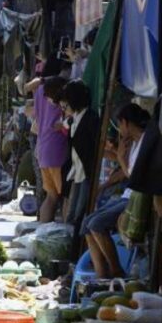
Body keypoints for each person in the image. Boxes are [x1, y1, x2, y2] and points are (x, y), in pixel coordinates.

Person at [81, 103, 149, 278]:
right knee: (86, 225)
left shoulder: (145, 142)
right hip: (127, 195)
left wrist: (120, 158)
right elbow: (125, 172)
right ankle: (101, 275)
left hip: (135, 199)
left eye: (119, 124)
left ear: (126, 123)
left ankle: (116, 271)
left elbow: (135, 178)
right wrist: (119, 156)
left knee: (96, 225)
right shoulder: (133, 143)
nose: (119, 129)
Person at [27, 72, 68, 223]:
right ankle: (64, 233)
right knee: (65, 196)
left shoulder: (39, 92)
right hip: (56, 150)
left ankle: (44, 230)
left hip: (42, 149)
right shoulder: (59, 101)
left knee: (51, 196)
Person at [60, 79, 99, 224]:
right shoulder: (74, 119)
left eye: (66, 102)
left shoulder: (91, 119)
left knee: (80, 214)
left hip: (87, 172)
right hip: (76, 172)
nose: (64, 107)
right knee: (72, 214)